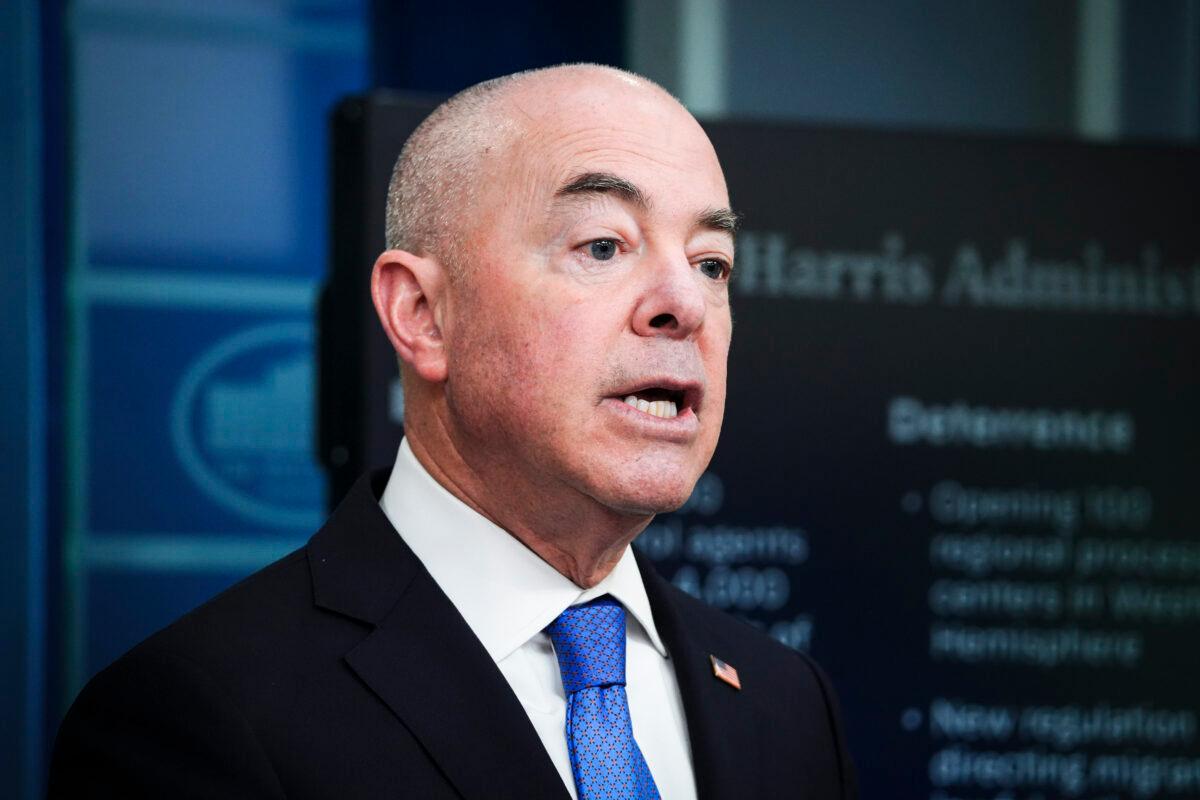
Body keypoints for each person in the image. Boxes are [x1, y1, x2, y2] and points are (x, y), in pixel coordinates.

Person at [49, 64, 858, 799]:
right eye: (604, 245)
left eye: (712, 262)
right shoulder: (198, 713)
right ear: (422, 315)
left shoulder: (786, 702)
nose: (683, 303)